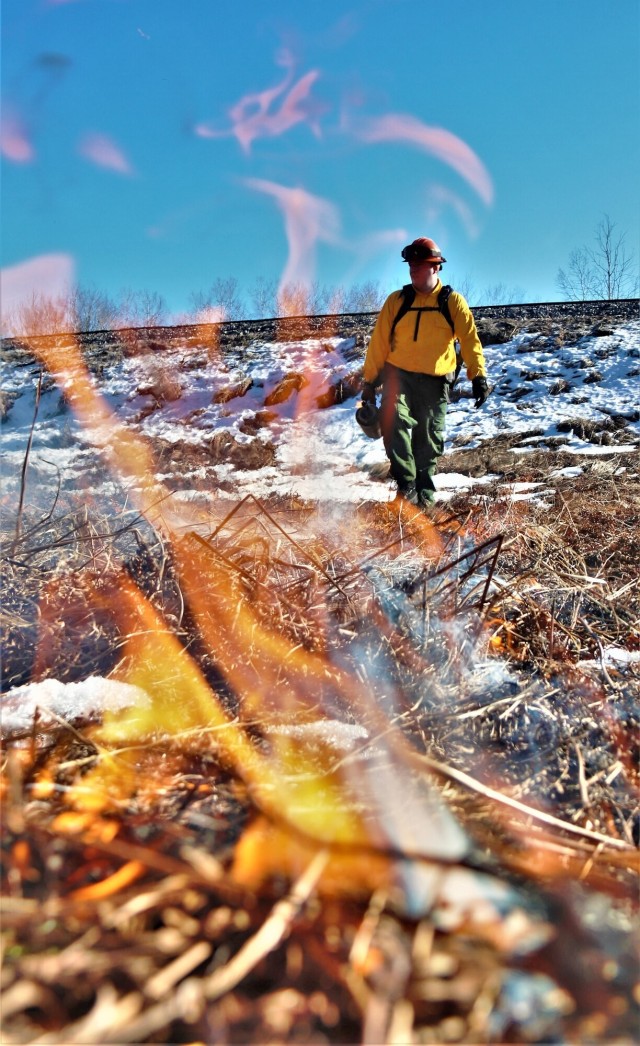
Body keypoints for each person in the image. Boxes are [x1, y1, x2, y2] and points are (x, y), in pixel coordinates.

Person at [361, 237, 488, 507]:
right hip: (399, 376)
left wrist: (478, 376)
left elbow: (470, 340)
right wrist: (369, 381)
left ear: (435, 267)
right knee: (393, 420)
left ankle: (425, 497)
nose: (412, 269)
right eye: (410, 264)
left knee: (428, 440)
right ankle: (406, 486)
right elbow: (379, 342)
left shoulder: (452, 302)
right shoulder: (397, 301)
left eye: (418, 264)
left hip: (436, 381)